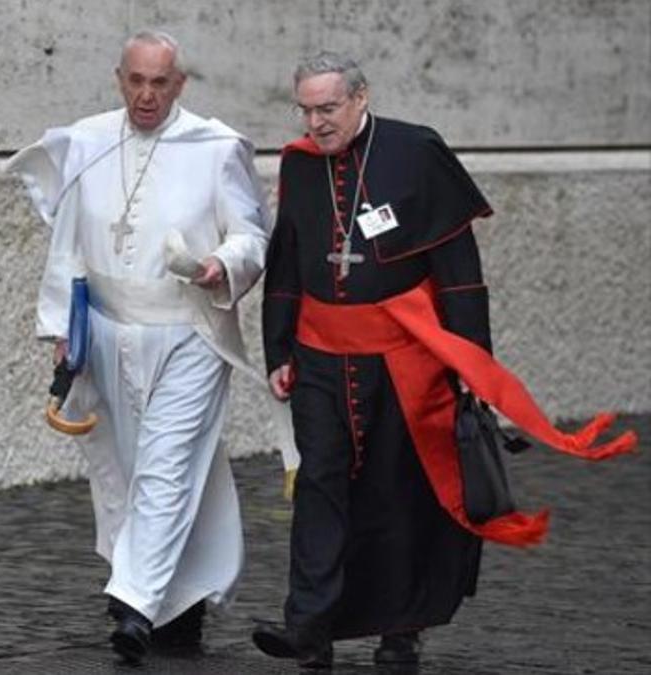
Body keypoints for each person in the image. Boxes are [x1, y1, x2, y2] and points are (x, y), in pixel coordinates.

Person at [253, 51, 636, 669]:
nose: (315, 123)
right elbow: (287, 262)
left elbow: (458, 274)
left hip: (403, 359)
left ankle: (401, 630)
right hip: (321, 356)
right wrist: (277, 349)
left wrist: (471, 364)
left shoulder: (415, 152)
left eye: (327, 109)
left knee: (398, 489)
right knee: (319, 483)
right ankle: (309, 627)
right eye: (306, 110)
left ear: (359, 98)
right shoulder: (300, 166)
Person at [5, 31, 272, 664]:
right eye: (135, 81)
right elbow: (67, 244)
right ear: (119, 78)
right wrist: (62, 333)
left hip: (190, 333)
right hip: (107, 335)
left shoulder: (215, 147)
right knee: (132, 469)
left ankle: (130, 605)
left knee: (166, 464)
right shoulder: (91, 142)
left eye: (160, 83)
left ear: (180, 85)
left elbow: (253, 236)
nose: (146, 95)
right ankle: (177, 605)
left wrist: (219, 264)